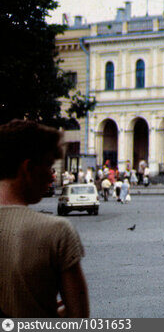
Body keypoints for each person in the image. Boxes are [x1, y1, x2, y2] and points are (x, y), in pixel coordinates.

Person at [0, 120, 90, 317]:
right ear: (28, 168)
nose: (51, 177)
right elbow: (80, 318)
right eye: (49, 166)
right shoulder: (56, 231)